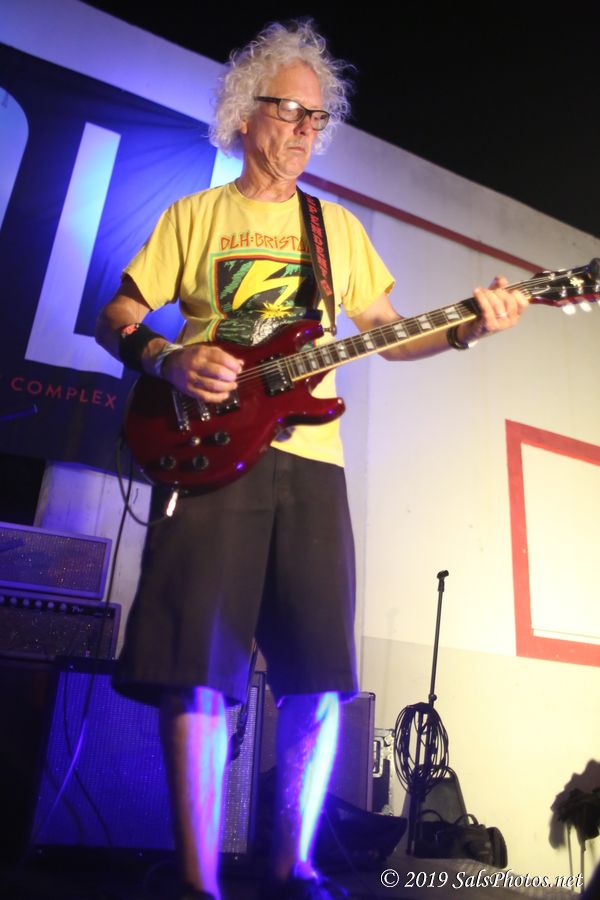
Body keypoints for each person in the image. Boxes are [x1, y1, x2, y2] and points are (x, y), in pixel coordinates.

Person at [95, 20, 528, 900]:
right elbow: (119, 315)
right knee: (197, 675)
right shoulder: (195, 217)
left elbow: (388, 334)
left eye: (317, 118)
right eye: (290, 111)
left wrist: (467, 329)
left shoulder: (336, 229)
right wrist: (169, 359)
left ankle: (293, 867)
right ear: (244, 112)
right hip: (206, 451)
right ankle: (198, 882)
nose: (304, 130)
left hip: (311, 463)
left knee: (321, 679)